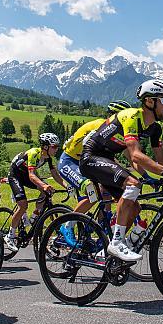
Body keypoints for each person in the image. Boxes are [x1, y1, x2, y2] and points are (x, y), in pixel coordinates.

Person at [79, 80, 163, 262]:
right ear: (150, 101)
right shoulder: (131, 116)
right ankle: (116, 243)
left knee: (134, 208)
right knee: (133, 184)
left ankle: (105, 254)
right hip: (91, 158)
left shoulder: (155, 128)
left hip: (108, 159)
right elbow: (135, 155)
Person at [57, 100, 132, 245]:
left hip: (86, 163)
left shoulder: (115, 131)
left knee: (107, 191)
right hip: (70, 162)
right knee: (93, 194)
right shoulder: (101, 126)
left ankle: (100, 227)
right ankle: (67, 225)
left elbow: (121, 155)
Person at [4, 133, 66, 252]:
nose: (56, 149)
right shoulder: (33, 153)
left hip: (26, 175)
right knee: (23, 205)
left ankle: (34, 217)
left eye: (57, 146)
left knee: (45, 192)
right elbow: (32, 175)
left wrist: (67, 186)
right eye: (54, 146)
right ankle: (10, 236)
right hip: (15, 175)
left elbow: (55, 175)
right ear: (46, 147)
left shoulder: (48, 158)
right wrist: (44, 185)